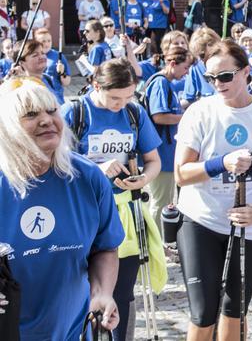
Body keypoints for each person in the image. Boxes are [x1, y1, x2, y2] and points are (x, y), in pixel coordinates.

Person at [174, 40, 252, 340]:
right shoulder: (200, 113)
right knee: (203, 310)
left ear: (246, 72)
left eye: (225, 76)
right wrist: (220, 163)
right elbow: (181, 174)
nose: (218, 84)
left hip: (248, 227)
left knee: (235, 308)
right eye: (210, 78)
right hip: (202, 220)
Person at [0, 77, 123, 337]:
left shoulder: (87, 177)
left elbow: (105, 248)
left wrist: (102, 294)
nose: (46, 120)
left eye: (51, 110)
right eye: (30, 114)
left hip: (72, 331)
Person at [61, 58, 165, 341]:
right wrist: (96, 167)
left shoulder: (134, 113)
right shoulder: (75, 112)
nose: (121, 103)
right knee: (81, 290)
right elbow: (55, 164)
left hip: (125, 213)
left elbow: (153, 160)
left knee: (122, 290)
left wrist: (143, 179)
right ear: (96, 85)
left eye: (128, 96)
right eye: (114, 97)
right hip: (80, 214)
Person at [143, 45, 194, 230]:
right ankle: (156, 246)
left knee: (164, 199)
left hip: (167, 150)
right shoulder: (160, 83)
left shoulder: (166, 83)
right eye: (185, 67)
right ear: (173, 64)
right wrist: (187, 117)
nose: (186, 72)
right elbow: (159, 116)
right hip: (161, 151)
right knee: (161, 200)